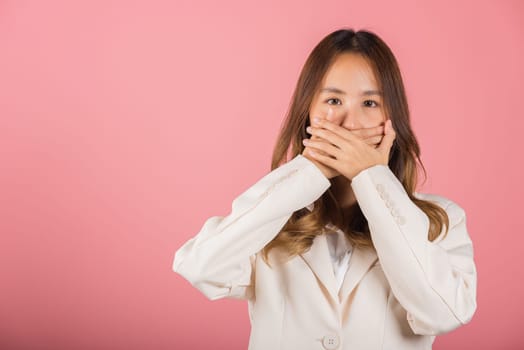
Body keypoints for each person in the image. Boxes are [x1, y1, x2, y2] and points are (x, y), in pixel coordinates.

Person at [172, 28, 477, 350]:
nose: (350, 122)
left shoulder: (440, 219)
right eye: (333, 100)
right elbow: (201, 268)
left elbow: (444, 313)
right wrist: (308, 171)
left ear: (393, 119)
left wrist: (371, 177)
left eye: (370, 102)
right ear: (308, 112)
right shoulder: (273, 214)